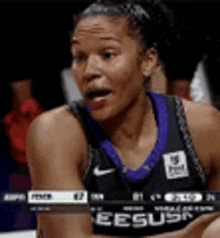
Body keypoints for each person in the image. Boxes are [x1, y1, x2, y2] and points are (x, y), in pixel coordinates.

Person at [26, 0, 220, 237]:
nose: (89, 71)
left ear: (148, 61)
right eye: (79, 57)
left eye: (107, 55)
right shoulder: (54, 132)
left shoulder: (203, 127)